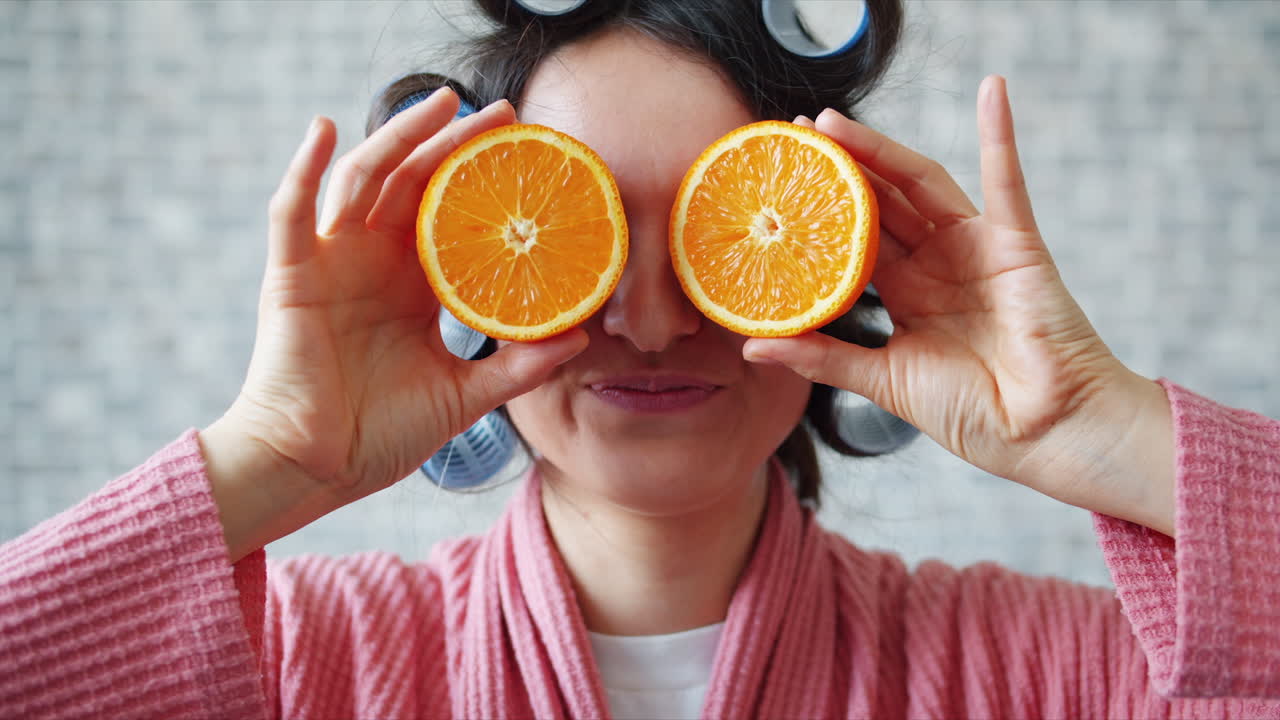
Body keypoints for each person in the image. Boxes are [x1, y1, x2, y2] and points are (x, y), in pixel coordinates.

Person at [2, 1, 1279, 718]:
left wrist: (1111, 438)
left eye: (726, 238)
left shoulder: (1053, 677)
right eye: (583, 232)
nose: (656, 320)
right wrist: (264, 464)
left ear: (829, 259)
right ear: (478, 265)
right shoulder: (296, 667)